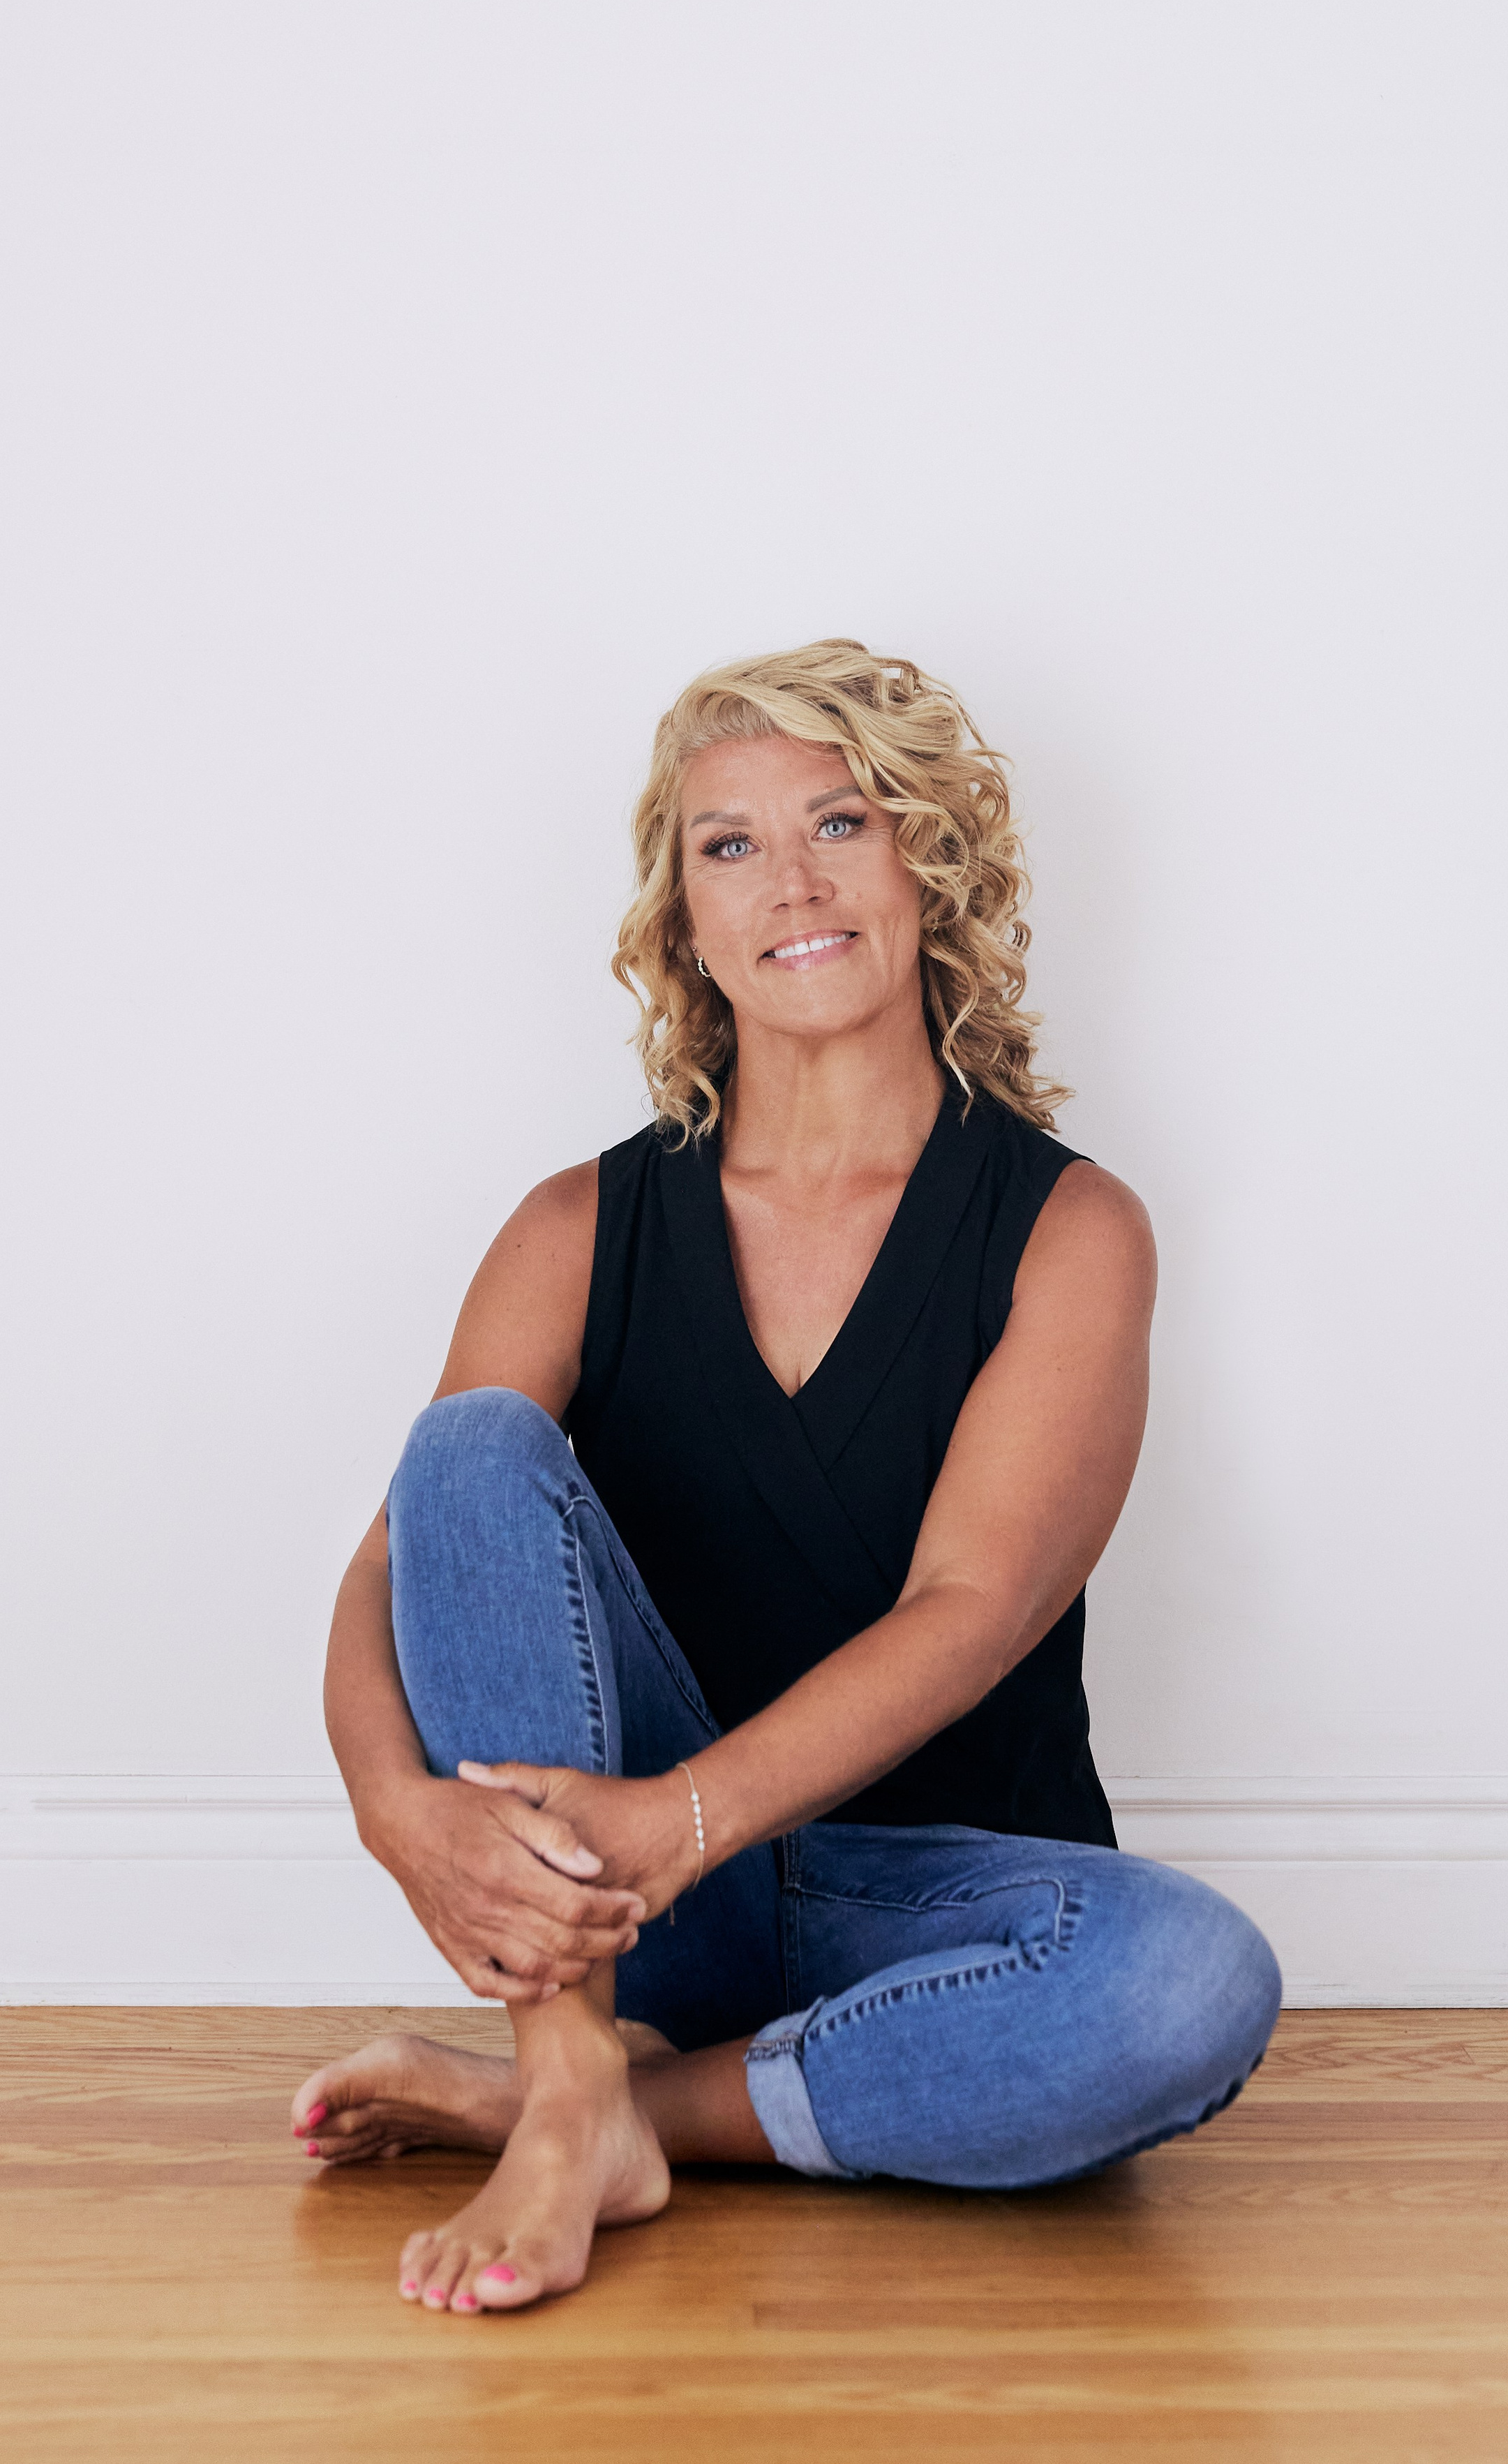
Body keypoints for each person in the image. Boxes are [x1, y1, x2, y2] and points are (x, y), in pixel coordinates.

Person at [289, 639, 1281, 2315]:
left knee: (1185, 1982)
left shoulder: (1067, 1227)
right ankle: (574, 2066)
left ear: (926, 862)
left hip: (938, 1901)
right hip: (637, 1916)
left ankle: (584, 2102)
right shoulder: (570, 1227)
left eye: (841, 820)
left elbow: (972, 1609)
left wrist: (682, 1820)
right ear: (683, 915)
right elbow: (395, 1569)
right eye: (728, 844)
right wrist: (400, 1813)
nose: (791, 881)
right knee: (466, 1443)